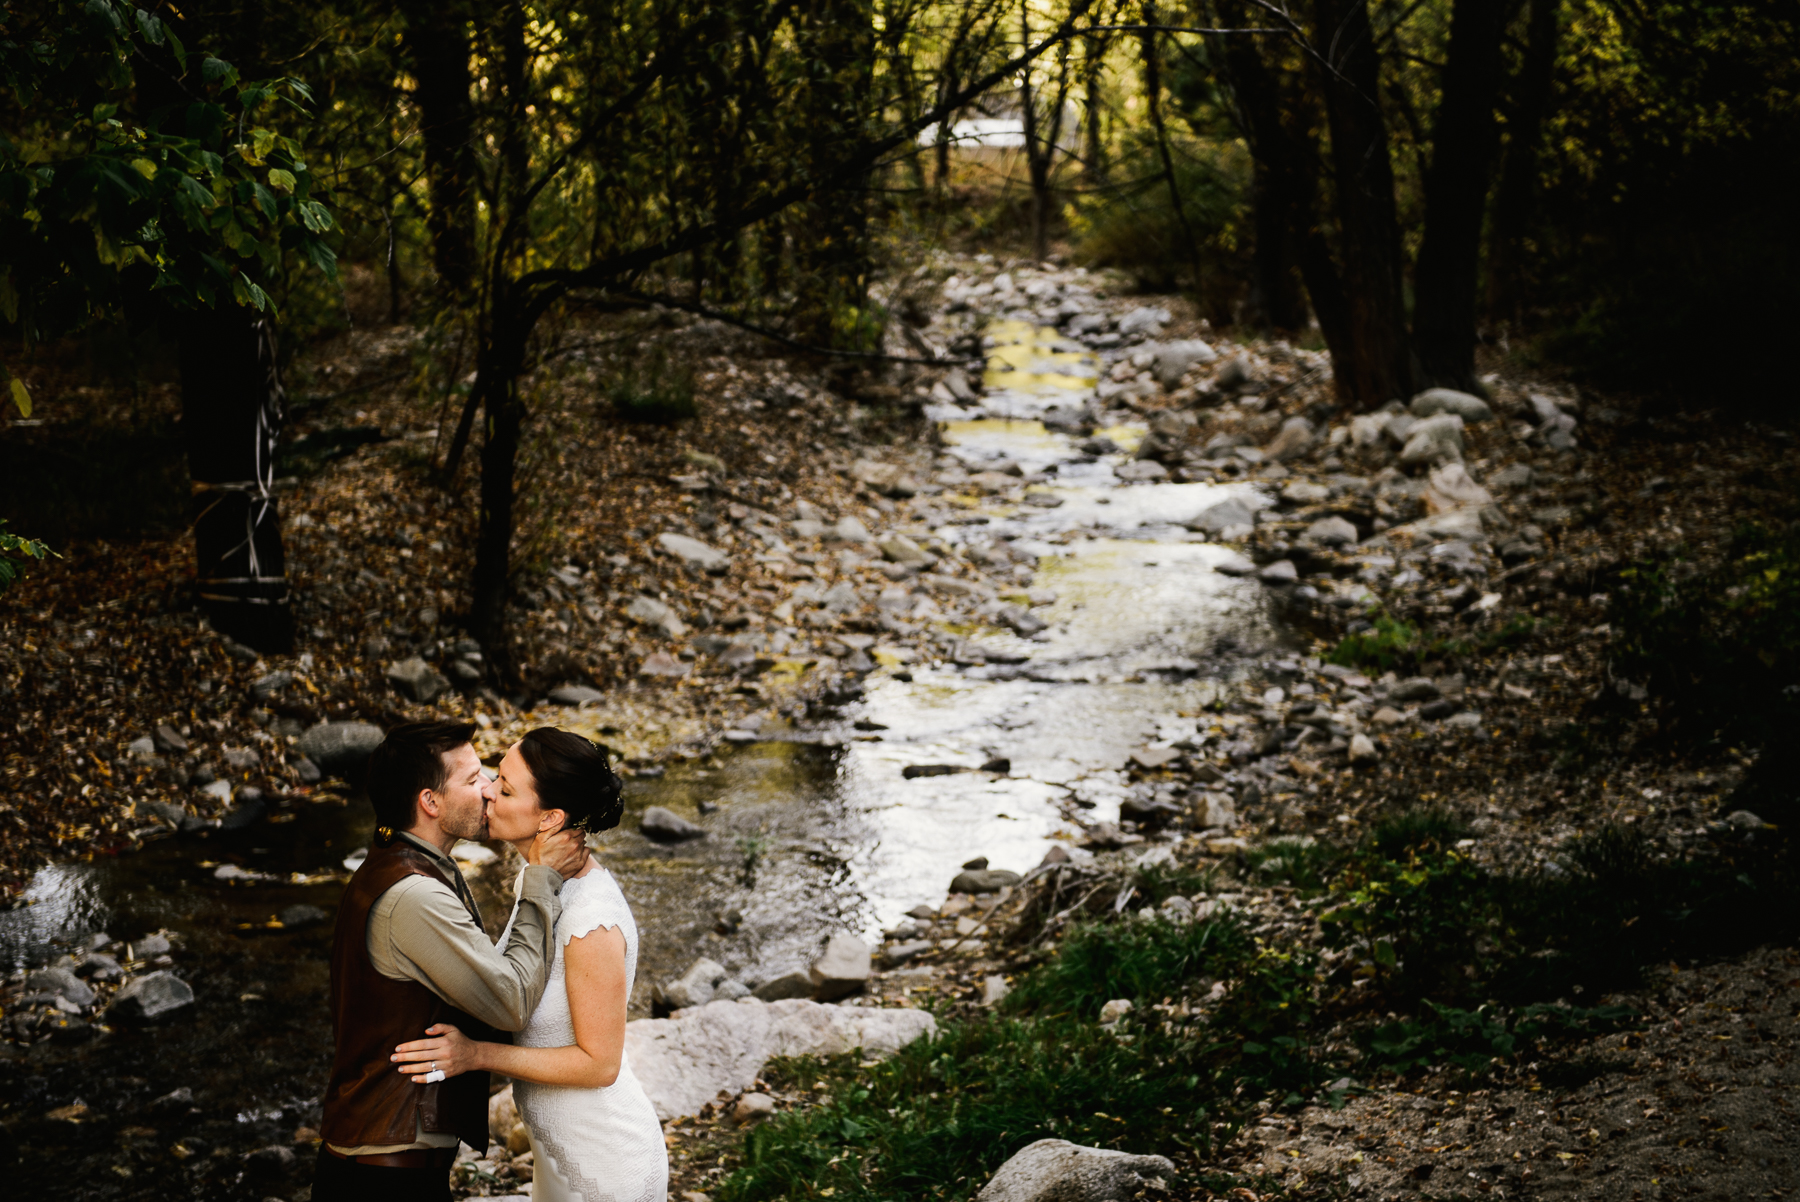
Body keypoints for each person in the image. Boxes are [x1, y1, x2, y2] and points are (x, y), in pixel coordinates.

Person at [390, 727, 668, 1202]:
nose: (487, 793)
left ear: (550, 818)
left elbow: (599, 1064)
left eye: (506, 789)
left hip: (606, 1167)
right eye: (494, 777)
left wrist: (475, 1055)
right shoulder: (542, 885)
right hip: (558, 1156)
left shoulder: (590, 918)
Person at [314, 720, 589, 1202]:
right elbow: (510, 1002)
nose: (488, 791)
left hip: (387, 1165)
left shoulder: (405, 862)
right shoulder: (414, 894)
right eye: (473, 778)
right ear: (431, 802)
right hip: (385, 1179)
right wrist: (540, 879)